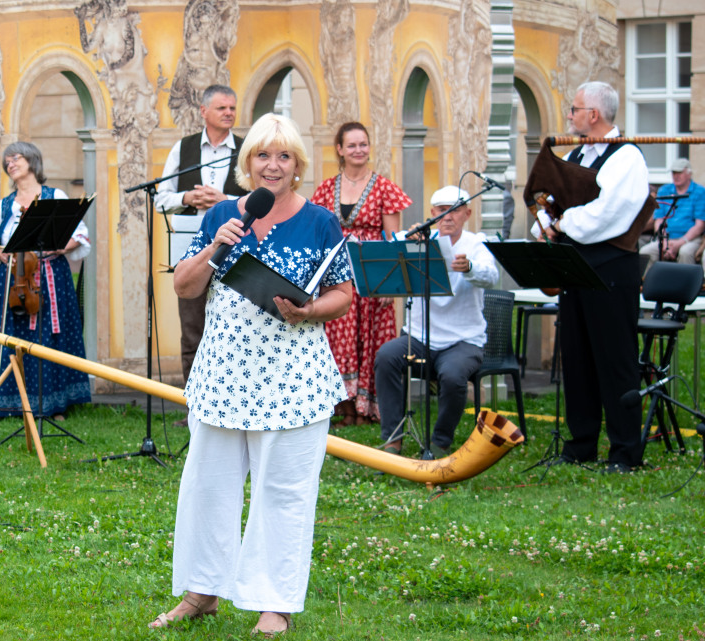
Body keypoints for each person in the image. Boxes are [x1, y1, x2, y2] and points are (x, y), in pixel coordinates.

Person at [151, 114, 353, 636]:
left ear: (297, 165)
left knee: (283, 489)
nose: (272, 165)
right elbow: (185, 287)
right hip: (223, 372)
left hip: (293, 376)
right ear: (248, 163)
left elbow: (343, 294)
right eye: (263, 155)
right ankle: (202, 592)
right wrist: (217, 244)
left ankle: (274, 602)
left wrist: (309, 312)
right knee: (207, 484)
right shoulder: (221, 213)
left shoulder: (320, 221)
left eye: (283, 156)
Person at [533, 81, 653, 474]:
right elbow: (555, 198)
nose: (570, 115)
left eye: (575, 108)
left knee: (615, 359)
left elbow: (610, 213)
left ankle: (624, 452)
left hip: (611, 270)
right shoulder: (577, 154)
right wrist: (545, 222)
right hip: (575, 267)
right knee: (578, 357)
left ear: (594, 115)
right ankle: (581, 444)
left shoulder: (627, 158)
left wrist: (564, 223)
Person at [373, 187, 499, 458]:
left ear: (467, 214)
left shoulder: (476, 244)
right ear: (432, 214)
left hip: (463, 341)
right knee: (386, 356)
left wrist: (470, 269)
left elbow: (491, 276)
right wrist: (408, 241)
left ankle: (441, 442)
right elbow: (388, 252)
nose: (447, 217)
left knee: (453, 376)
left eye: (454, 210)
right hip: (419, 337)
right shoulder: (418, 239)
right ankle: (393, 439)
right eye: (441, 211)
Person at [0, 142, 92, 420]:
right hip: (14, 281)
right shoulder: (4, 206)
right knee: (12, 338)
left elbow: (80, 233)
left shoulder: (56, 196)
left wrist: (61, 247)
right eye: (7, 161)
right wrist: (1, 254)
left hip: (51, 277)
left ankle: (55, 404)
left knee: (54, 337)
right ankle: (10, 403)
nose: (11, 164)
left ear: (32, 161)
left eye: (16, 158)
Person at [309, 122, 413, 425]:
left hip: (371, 273)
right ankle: (344, 408)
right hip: (335, 273)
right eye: (352, 145)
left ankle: (369, 409)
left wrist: (387, 285)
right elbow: (317, 233)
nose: (359, 150)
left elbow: (393, 240)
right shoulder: (327, 188)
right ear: (340, 150)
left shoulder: (384, 188)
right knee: (338, 338)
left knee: (371, 339)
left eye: (363, 144)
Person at [155, 85, 248, 391]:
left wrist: (224, 200)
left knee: (236, 327)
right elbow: (160, 198)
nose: (229, 113)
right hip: (192, 250)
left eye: (232, 108)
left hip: (237, 252)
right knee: (192, 327)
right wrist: (189, 197)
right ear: (204, 112)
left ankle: (231, 397)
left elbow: (262, 199)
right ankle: (192, 403)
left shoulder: (246, 150)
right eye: (222, 108)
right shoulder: (184, 148)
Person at [640, 157, 705, 270]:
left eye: (679, 172)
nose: (676, 176)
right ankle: (649, 286)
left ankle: (686, 286)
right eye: (674, 172)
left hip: (689, 239)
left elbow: (700, 225)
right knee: (646, 251)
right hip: (666, 237)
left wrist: (680, 242)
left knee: (686, 252)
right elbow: (659, 220)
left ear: (689, 173)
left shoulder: (700, 192)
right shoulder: (664, 190)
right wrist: (664, 242)